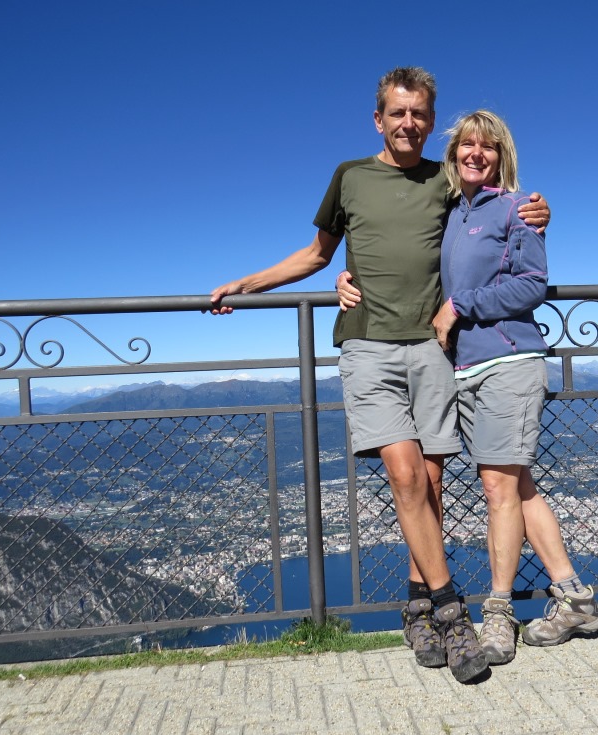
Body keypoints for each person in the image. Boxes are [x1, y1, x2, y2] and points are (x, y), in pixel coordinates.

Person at [210, 67, 549, 683]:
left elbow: (491, 215)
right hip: (368, 343)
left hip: (433, 348)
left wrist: (536, 211)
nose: (408, 123)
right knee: (403, 473)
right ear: (378, 119)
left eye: (419, 113)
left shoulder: (446, 181)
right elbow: (317, 254)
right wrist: (246, 283)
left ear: (430, 120)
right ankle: (451, 612)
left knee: (431, 482)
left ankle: (417, 609)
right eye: (398, 112)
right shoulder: (350, 177)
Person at [339, 110, 598, 666]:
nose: (475, 154)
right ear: (454, 153)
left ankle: (499, 613)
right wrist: (346, 276)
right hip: (463, 368)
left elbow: (532, 284)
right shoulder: (452, 211)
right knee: (517, 485)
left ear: (501, 155)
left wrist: (460, 305)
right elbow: (399, 251)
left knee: (498, 489)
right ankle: (576, 598)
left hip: (507, 360)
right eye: (466, 145)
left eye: (487, 146)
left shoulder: (515, 208)